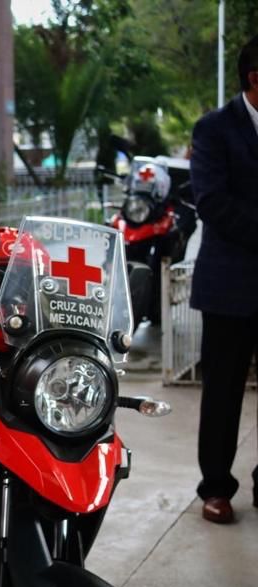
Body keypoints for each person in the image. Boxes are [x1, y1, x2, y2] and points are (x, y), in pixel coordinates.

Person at [189, 34, 258, 524]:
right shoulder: (214, 129)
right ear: (255, 78)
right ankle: (215, 489)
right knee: (222, 395)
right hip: (229, 287)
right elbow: (211, 202)